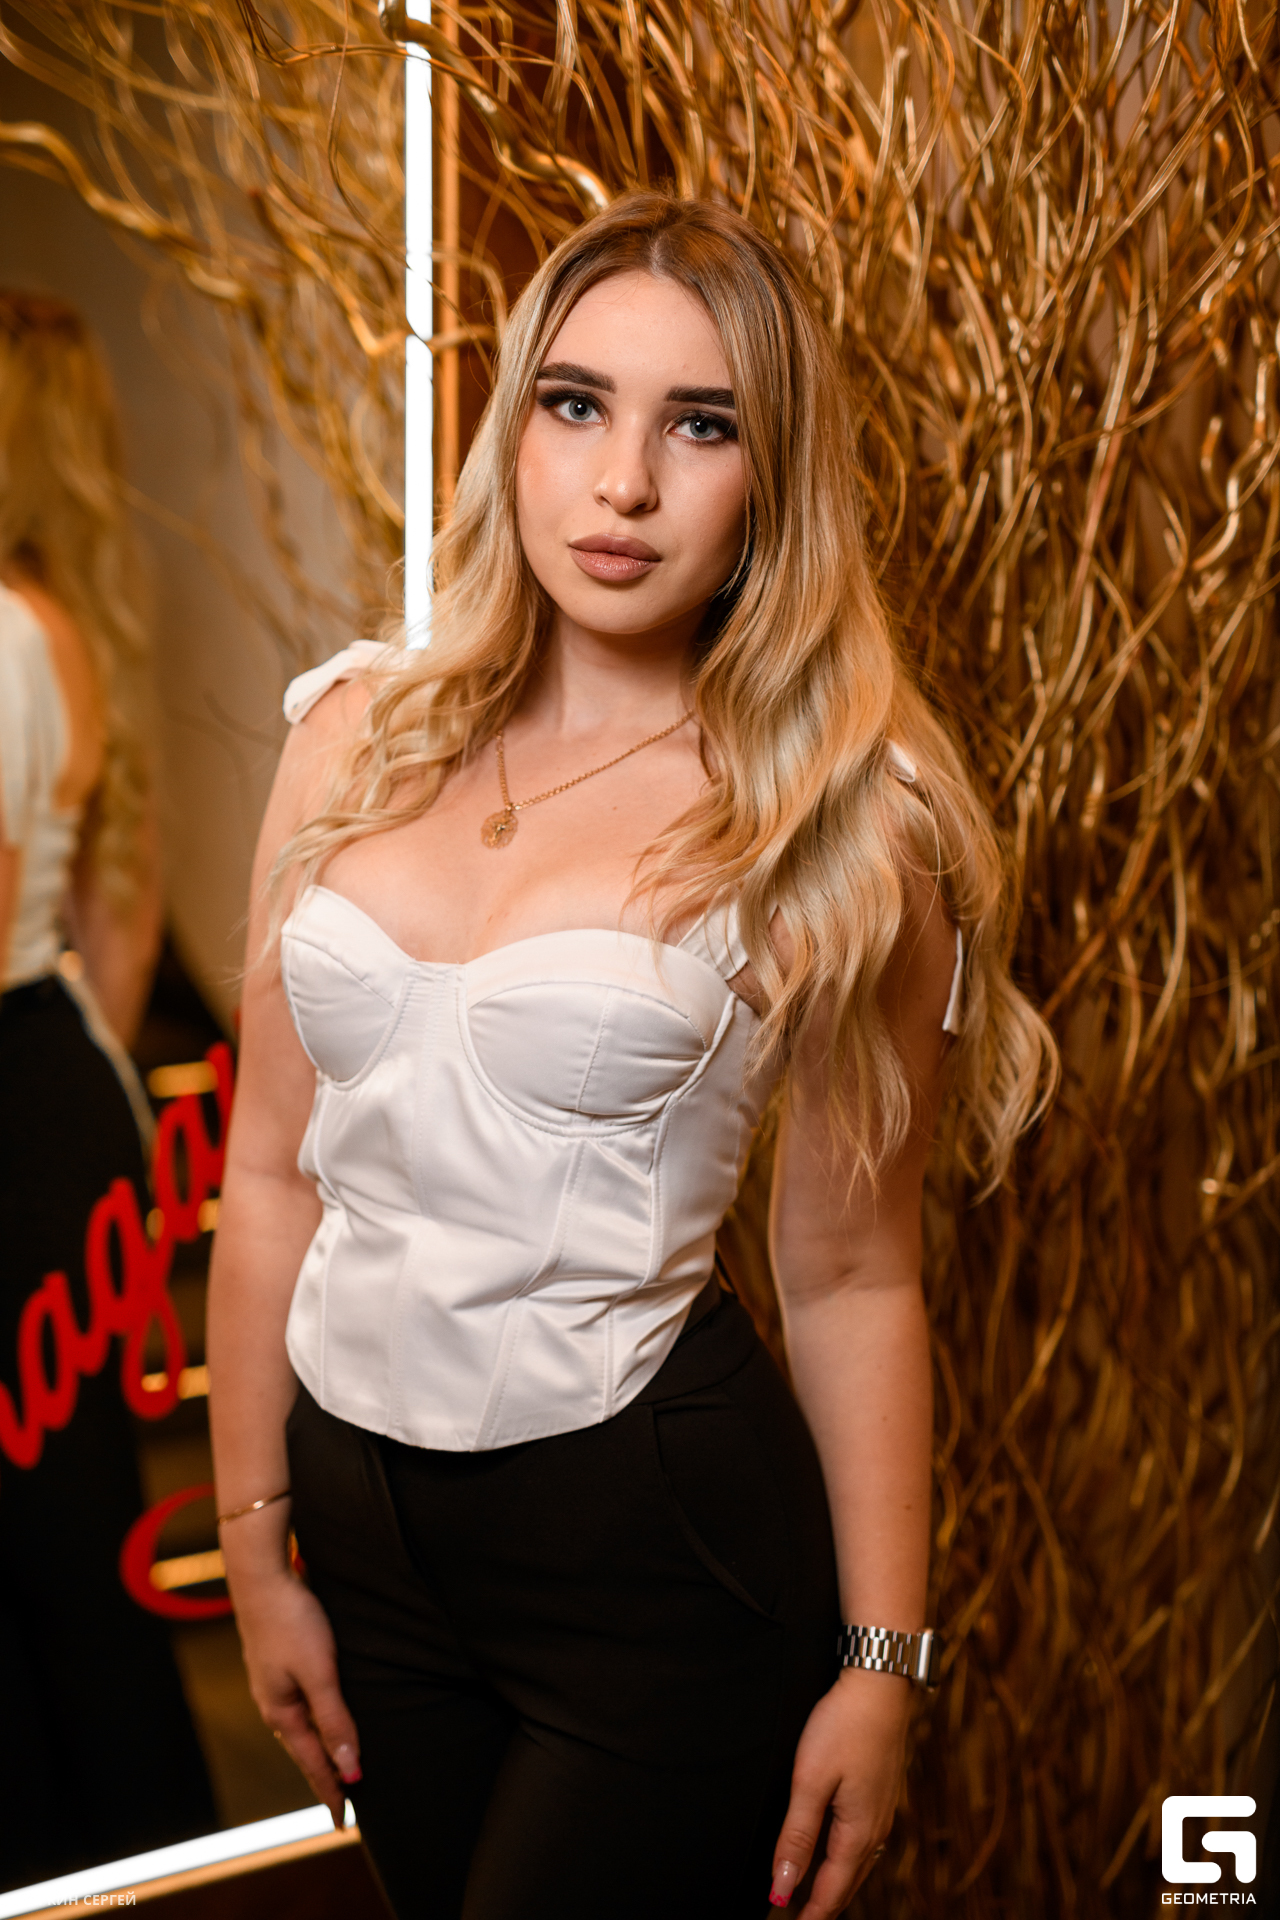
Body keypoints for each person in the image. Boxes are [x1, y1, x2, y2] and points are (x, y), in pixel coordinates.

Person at [208, 192, 1054, 1920]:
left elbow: (852, 1275)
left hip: (653, 1551)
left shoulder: (834, 824)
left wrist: (883, 1664)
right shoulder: (352, 734)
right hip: (361, 1538)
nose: (624, 483)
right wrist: (253, 1544)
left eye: (703, 425)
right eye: (578, 403)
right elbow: (270, 1172)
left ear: (773, 480)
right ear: (514, 427)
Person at [0, 292, 218, 1887]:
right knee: (54, 1542)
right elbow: (119, 930)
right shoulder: (57, 623)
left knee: (54, 1552)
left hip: (19, 1108)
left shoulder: (5, 633)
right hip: (49, 1097)